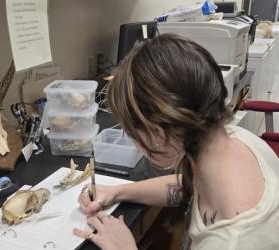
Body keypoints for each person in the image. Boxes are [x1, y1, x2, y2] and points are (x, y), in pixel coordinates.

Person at [73, 34, 279, 250]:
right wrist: (119, 191)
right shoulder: (233, 139)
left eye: (130, 133)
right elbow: (189, 186)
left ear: (156, 134)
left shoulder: (232, 242)